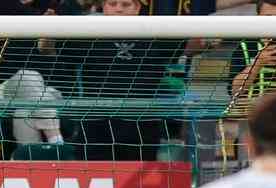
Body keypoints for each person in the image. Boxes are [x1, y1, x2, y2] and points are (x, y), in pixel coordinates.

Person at [43, 0, 186, 161]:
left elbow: (191, 47)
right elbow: (47, 49)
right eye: (113, 4)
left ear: (137, 8)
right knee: (95, 181)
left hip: (142, 127)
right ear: (104, 7)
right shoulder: (87, 35)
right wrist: (48, 29)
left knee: (137, 185)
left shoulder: (156, 36)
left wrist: (210, 36)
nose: (119, 9)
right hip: (95, 127)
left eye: (126, 5)